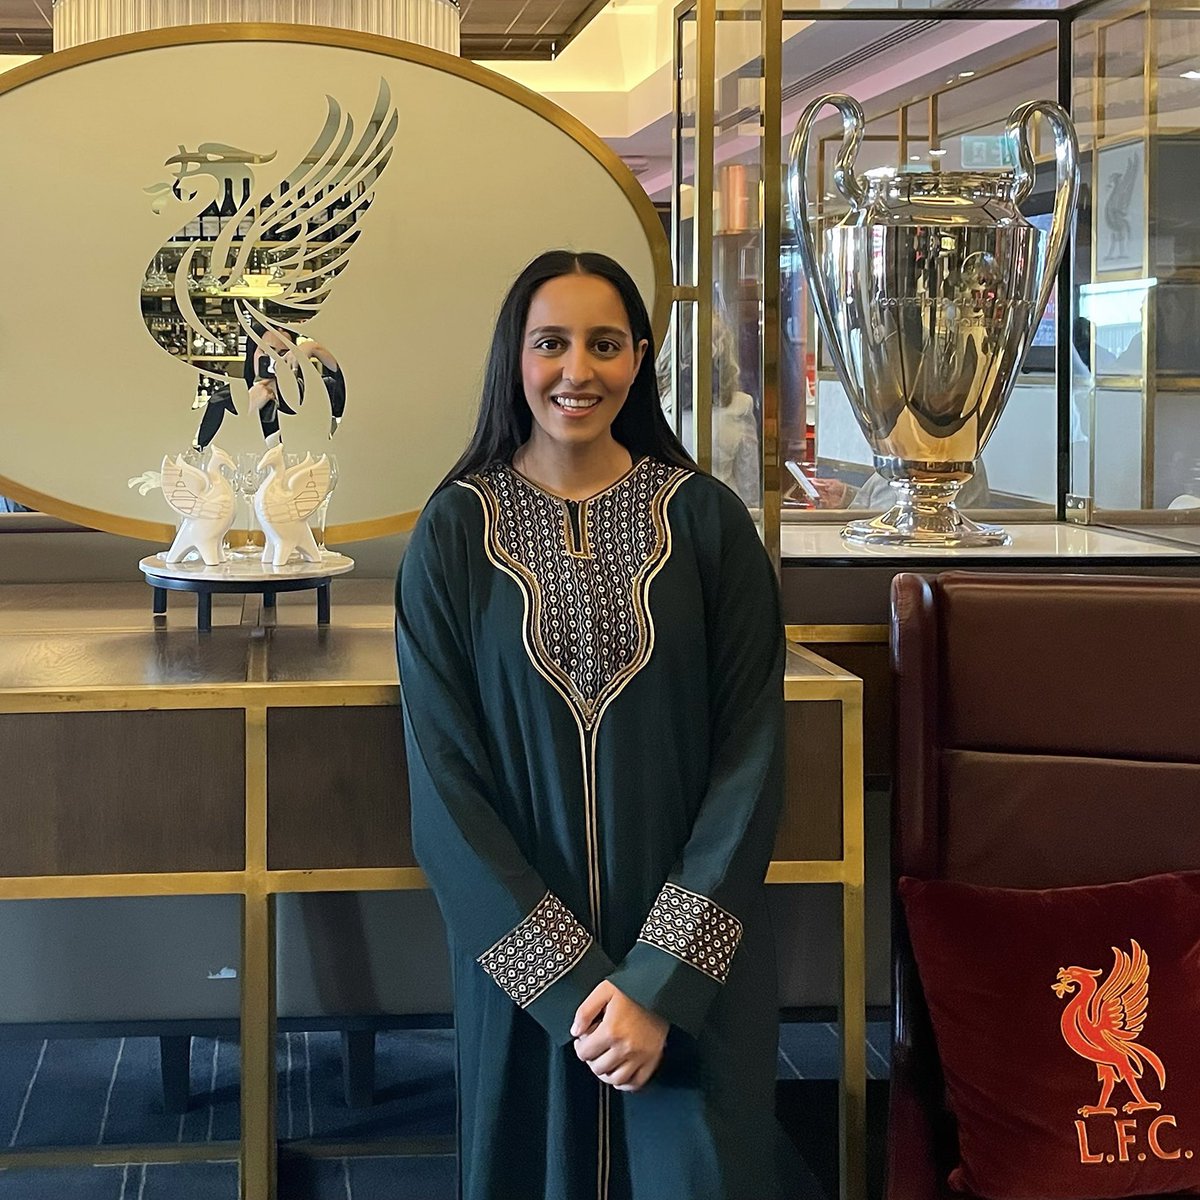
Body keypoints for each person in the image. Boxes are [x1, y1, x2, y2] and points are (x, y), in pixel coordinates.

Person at [394, 250, 785, 1200]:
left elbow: (752, 760)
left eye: (605, 344)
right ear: (514, 360)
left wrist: (655, 988)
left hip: (691, 964)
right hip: (527, 980)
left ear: (641, 358)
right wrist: (578, 998)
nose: (578, 370)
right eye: (551, 344)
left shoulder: (708, 522)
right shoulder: (453, 533)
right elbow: (445, 787)